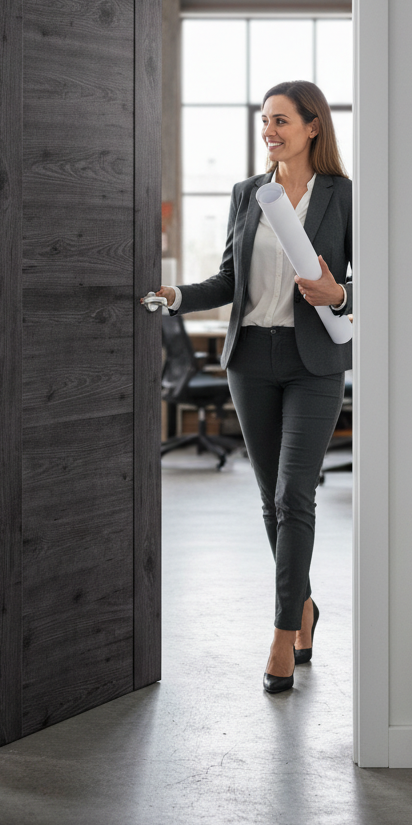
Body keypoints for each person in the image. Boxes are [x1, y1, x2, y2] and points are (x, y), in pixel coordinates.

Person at [150, 80, 351, 693]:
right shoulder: (250, 194)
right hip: (250, 360)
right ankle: (304, 606)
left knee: (295, 494)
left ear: (313, 127)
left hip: (314, 360)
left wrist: (340, 293)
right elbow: (228, 281)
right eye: (265, 120)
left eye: (281, 120)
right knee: (271, 500)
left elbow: (378, 276)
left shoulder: (344, 196)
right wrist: (177, 296)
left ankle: (283, 635)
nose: (269, 130)